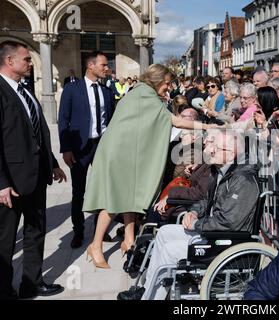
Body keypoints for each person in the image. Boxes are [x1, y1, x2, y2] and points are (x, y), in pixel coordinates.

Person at [81, 64, 213, 269]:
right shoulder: (145, 95)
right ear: (157, 79)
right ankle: (96, 245)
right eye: (166, 83)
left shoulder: (142, 93)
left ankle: (129, 240)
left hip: (124, 152)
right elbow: (175, 121)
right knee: (113, 199)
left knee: (129, 196)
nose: (168, 88)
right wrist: (206, 126)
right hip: (119, 154)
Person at [140, 129, 260, 300]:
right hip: (212, 231)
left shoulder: (243, 181)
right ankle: (147, 290)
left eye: (216, 148)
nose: (210, 150)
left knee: (170, 249)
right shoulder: (221, 171)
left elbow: (229, 223)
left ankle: (152, 297)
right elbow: (206, 200)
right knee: (165, 232)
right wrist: (195, 212)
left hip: (226, 241)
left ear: (231, 153)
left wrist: (197, 224)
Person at [0, 40, 67, 299]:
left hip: (35, 177)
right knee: (5, 242)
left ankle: (31, 282)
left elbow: (34, 134)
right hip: (10, 184)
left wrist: (51, 163)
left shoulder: (25, 91)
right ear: (9, 61)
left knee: (35, 231)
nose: (30, 63)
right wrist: (1, 182)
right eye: (27, 59)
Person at [58, 51, 115, 249]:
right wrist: (66, 149)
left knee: (103, 190)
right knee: (78, 191)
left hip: (102, 146)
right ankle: (78, 231)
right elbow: (63, 120)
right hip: (80, 147)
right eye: (104, 65)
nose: (107, 68)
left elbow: (112, 121)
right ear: (91, 66)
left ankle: (100, 229)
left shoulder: (107, 91)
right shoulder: (72, 89)